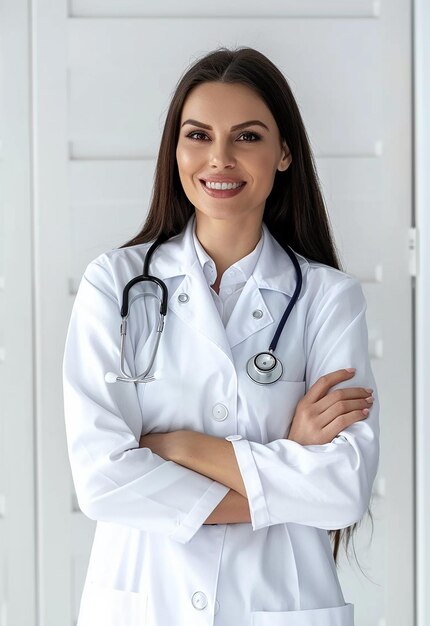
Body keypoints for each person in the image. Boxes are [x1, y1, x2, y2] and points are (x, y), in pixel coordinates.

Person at [62, 46, 380, 626]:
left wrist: (177, 446)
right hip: (143, 601)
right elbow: (103, 481)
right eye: (199, 135)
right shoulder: (115, 283)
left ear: (285, 152)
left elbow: (342, 489)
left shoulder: (329, 298)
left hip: (280, 601)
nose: (220, 158)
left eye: (248, 137)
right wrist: (288, 463)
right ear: (175, 149)